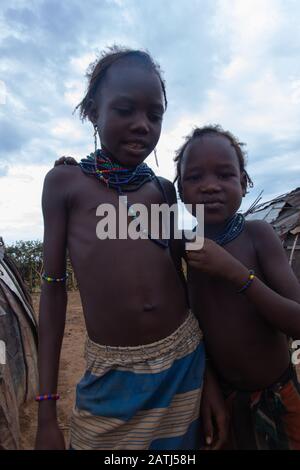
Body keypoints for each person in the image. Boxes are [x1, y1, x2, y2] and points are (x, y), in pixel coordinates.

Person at [35, 47, 226, 450]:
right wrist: (47, 413)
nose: (142, 125)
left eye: (154, 116)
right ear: (92, 110)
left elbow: (183, 281)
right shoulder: (65, 185)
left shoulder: (160, 190)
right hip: (111, 378)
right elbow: (53, 290)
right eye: (125, 110)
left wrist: (209, 378)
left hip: (185, 364)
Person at [174, 124, 300, 449]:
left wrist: (237, 274)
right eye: (195, 177)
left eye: (225, 175)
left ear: (243, 183)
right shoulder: (184, 250)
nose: (210, 186)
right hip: (222, 400)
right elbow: (191, 329)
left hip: (281, 396)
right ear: (180, 190)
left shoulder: (259, 236)